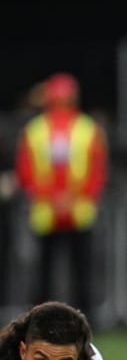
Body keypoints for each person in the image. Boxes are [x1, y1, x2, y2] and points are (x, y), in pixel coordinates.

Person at [14, 73, 108, 320]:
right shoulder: (88, 128)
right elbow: (97, 172)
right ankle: (83, 321)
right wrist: (69, 198)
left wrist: (55, 198)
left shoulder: (34, 130)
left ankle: (39, 322)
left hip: (56, 210)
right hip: (69, 210)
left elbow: (26, 174)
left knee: (51, 272)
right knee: (75, 271)